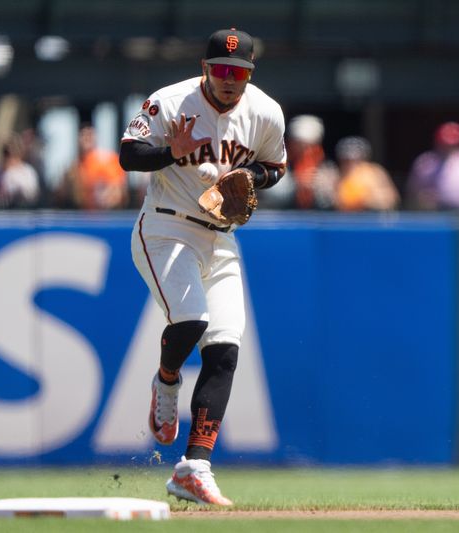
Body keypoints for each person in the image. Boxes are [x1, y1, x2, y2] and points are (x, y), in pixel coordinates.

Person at [119, 28, 286, 506]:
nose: (229, 79)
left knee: (225, 349)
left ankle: (193, 468)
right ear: (205, 67)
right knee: (192, 320)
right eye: (221, 70)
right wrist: (173, 151)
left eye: (239, 72)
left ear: (250, 73)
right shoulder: (170, 101)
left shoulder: (265, 111)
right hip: (166, 228)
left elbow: (275, 166)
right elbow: (128, 154)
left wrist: (249, 175)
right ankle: (166, 380)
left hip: (222, 238)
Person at [259, 114, 336, 209]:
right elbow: (271, 195)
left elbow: (333, 202)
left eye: (310, 144)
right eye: (299, 144)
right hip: (282, 218)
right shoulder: (277, 162)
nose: (305, 149)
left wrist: (321, 188)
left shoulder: (327, 168)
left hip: (316, 220)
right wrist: (296, 184)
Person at [407, 121, 459, 210]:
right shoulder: (425, 162)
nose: (448, 149)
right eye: (445, 145)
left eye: (453, 145)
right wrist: (423, 197)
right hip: (432, 213)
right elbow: (412, 192)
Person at [55, 124, 128, 210]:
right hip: (83, 216)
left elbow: (117, 192)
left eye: (89, 134)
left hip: (107, 216)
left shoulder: (108, 160)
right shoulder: (74, 167)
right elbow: (67, 196)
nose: (86, 138)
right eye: (83, 135)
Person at [333, 136, 399, 211]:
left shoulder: (375, 172)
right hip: (345, 220)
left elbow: (391, 199)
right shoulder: (336, 176)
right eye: (346, 160)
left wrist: (365, 199)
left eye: (355, 160)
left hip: (371, 218)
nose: (351, 164)